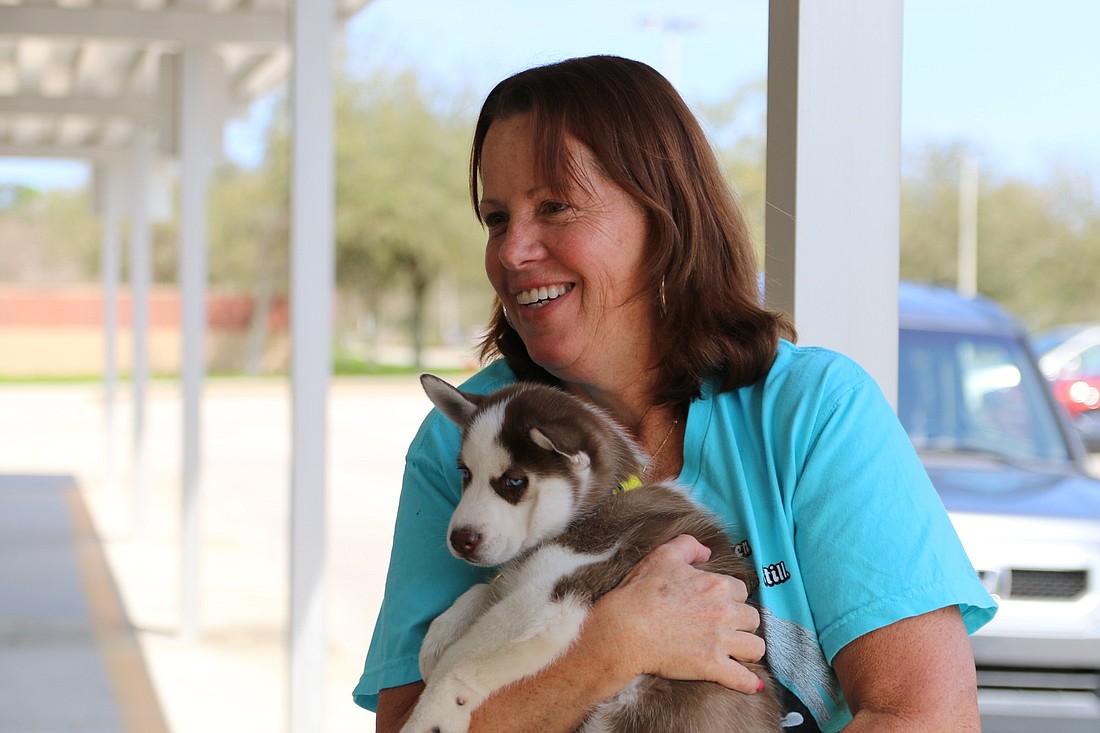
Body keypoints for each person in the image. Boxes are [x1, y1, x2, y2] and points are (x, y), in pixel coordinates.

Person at [354, 55, 997, 732]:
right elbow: (409, 725)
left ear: (664, 216)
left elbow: (924, 715)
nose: (512, 251)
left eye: (555, 207)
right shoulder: (469, 436)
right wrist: (609, 648)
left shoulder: (814, 411)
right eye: (495, 217)